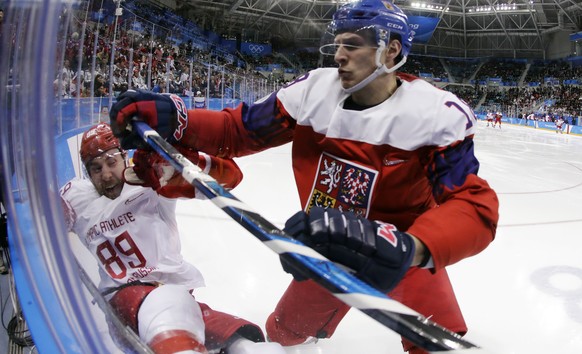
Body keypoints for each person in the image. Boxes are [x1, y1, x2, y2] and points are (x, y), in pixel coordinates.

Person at [109, 1, 499, 353]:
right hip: (329, 245)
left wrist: (412, 248)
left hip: (397, 253)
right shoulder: (313, 92)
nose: (340, 56)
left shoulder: (434, 114)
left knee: (441, 347)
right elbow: (238, 130)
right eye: (338, 44)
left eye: (353, 45)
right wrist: (179, 120)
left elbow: (471, 205)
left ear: (391, 50)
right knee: (282, 333)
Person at [60, 123, 285, 354]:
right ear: (87, 173)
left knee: (246, 345)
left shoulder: (149, 182)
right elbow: (42, 218)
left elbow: (229, 177)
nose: (106, 175)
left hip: (177, 300)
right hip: (125, 302)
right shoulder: (76, 198)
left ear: (124, 157)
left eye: (111, 162)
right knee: (167, 303)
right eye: (96, 169)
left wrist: (175, 160)